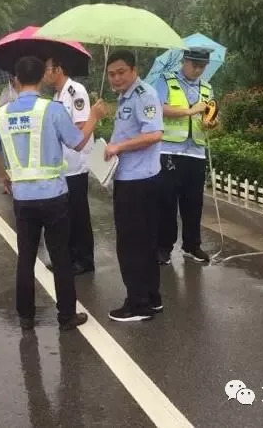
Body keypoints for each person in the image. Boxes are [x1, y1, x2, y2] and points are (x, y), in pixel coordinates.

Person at [0, 56, 106, 331]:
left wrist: (5, 176)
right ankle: (66, 316)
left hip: (22, 198)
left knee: (25, 256)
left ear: (15, 80)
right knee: (61, 256)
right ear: (40, 79)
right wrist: (94, 117)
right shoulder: (52, 110)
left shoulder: (2, 114)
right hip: (54, 197)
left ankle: (26, 316)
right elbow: (77, 142)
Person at [103, 50, 164, 322]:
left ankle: (138, 304)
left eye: (121, 72)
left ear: (134, 70)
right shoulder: (126, 96)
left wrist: (118, 146)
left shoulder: (144, 95)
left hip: (137, 182)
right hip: (135, 178)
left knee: (131, 245)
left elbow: (154, 133)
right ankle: (151, 297)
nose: (115, 78)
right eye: (111, 73)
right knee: (145, 242)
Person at [153, 47, 218, 265]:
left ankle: (192, 245)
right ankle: (163, 247)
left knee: (193, 202)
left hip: (196, 152)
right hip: (170, 151)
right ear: (185, 61)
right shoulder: (167, 81)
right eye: (195, 65)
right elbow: (158, 107)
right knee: (167, 203)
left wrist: (212, 122)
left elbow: (212, 115)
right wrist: (189, 111)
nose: (199, 70)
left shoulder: (207, 88)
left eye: (203, 67)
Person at [44, 56, 95, 275]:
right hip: (62, 166)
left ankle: (84, 259)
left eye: (47, 69)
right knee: (65, 215)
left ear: (58, 69)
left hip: (75, 164)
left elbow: (82, 126)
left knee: (78, 214)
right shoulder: (57, 95)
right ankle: (68, 257)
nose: (44, 74)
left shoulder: (76, 91)